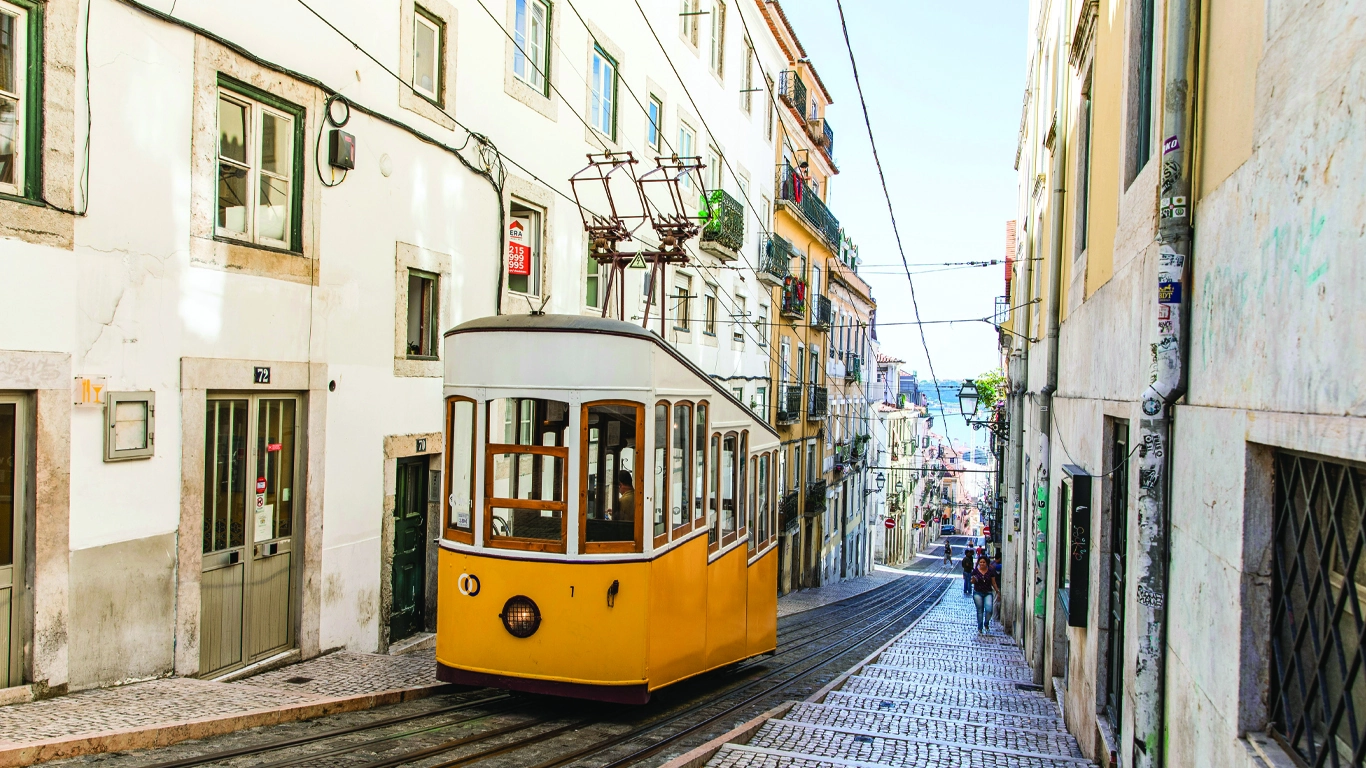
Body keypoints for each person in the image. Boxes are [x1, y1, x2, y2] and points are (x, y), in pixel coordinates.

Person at [971, 557, 998, 633]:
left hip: (988, 592)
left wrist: (997, 591)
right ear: (978, 563)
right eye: (981, 562)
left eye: (984, 562)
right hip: (977, 592)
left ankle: (986, 623)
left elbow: (993, 583)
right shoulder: (975, 571)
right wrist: (973, 580)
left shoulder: (990, 571)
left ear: (986, 563)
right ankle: (980, 627)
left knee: (989, 609)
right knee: (980, 610)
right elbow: (972, 581)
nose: (982, 563)